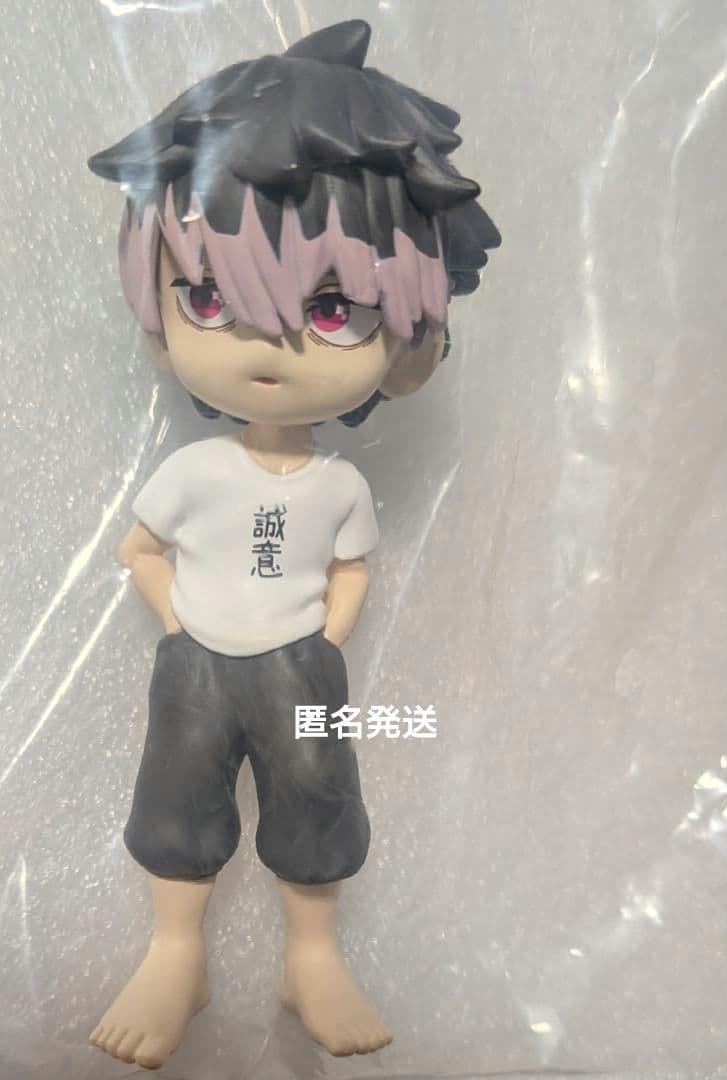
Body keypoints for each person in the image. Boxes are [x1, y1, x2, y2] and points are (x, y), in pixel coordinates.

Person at [87, 18, 500, 1070]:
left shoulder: (337, 484)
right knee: (176, 795)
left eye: (330, 311)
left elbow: (353, 564)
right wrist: (180, 623)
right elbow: (140, 551)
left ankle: (310, 955)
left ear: (408, 341)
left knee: (317, 792)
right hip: (197, 662)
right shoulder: (195, 473)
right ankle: (174, 950)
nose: (262, 344)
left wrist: (323, 640)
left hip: (299, 666)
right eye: (209, 297)